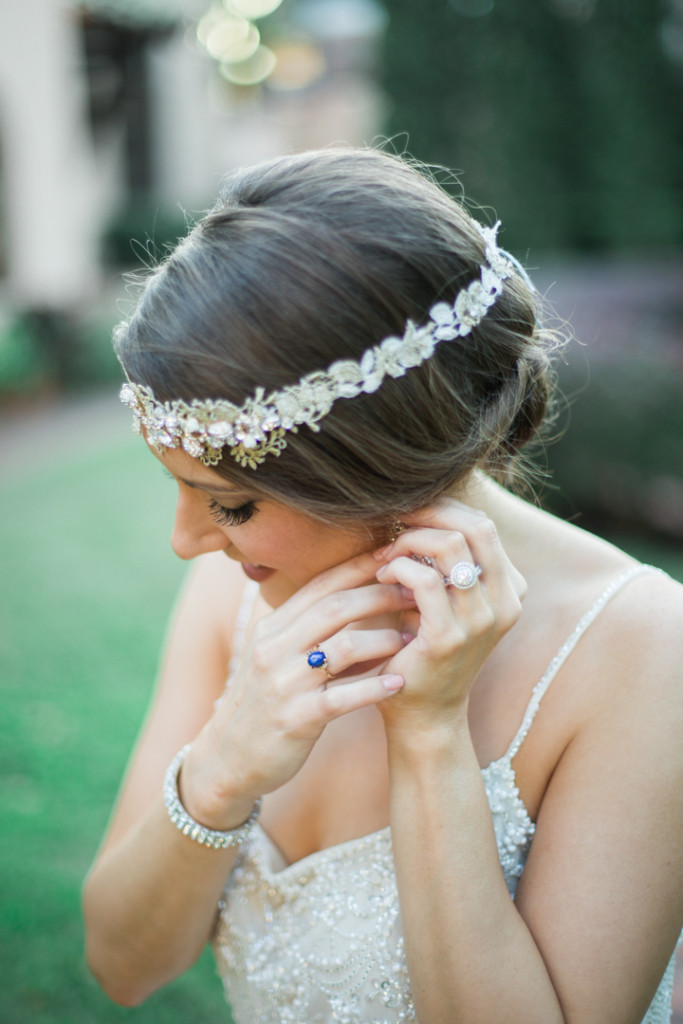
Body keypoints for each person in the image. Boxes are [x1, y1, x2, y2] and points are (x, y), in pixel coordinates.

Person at [83, 147, 683, 1024]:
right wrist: (219, 770)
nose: (186, 543)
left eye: (233, 504)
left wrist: (432, 736)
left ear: (375, 466)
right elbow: (120, 966)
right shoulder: (236, 594)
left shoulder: (642, 651)